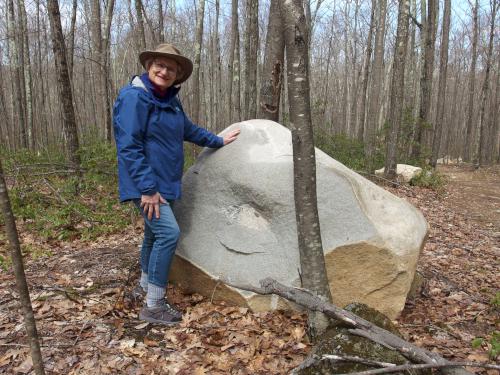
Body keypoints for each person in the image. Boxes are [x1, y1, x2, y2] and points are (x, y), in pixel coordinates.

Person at [113, 44, 240, 325]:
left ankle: (145, 287)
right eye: (159, 65)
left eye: (171, 68)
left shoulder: (170, 101)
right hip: (146, 185)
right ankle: (154, 305)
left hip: (164, 184)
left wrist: (218, 141)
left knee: (152, 235)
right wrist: (147, 188)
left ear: (178, 74)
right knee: (169, 233)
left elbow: (188, 130)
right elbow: (129, 146)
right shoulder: (135, 97)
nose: (164, 71)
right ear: (149, 66)